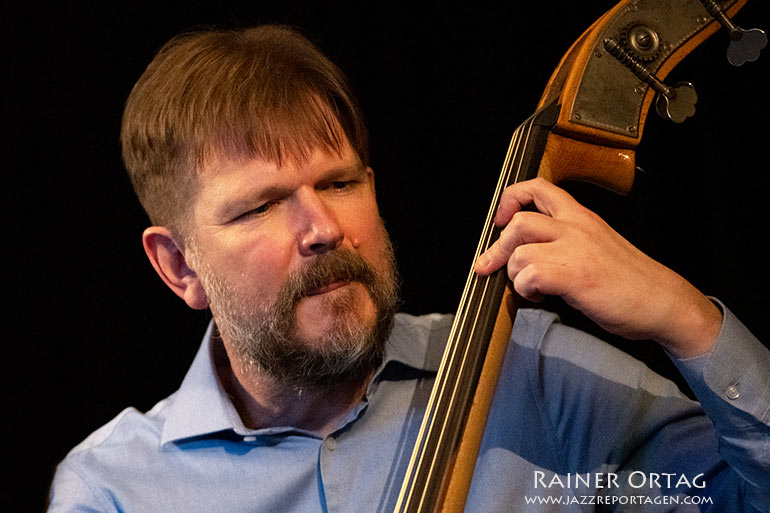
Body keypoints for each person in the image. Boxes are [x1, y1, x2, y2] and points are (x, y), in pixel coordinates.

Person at [47, 24, 769, 512]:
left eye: (339, 182)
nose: (324, 229)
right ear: (178, 266)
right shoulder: (114, 489)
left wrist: (689, 321)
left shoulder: (535, 377)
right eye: (261, 206)